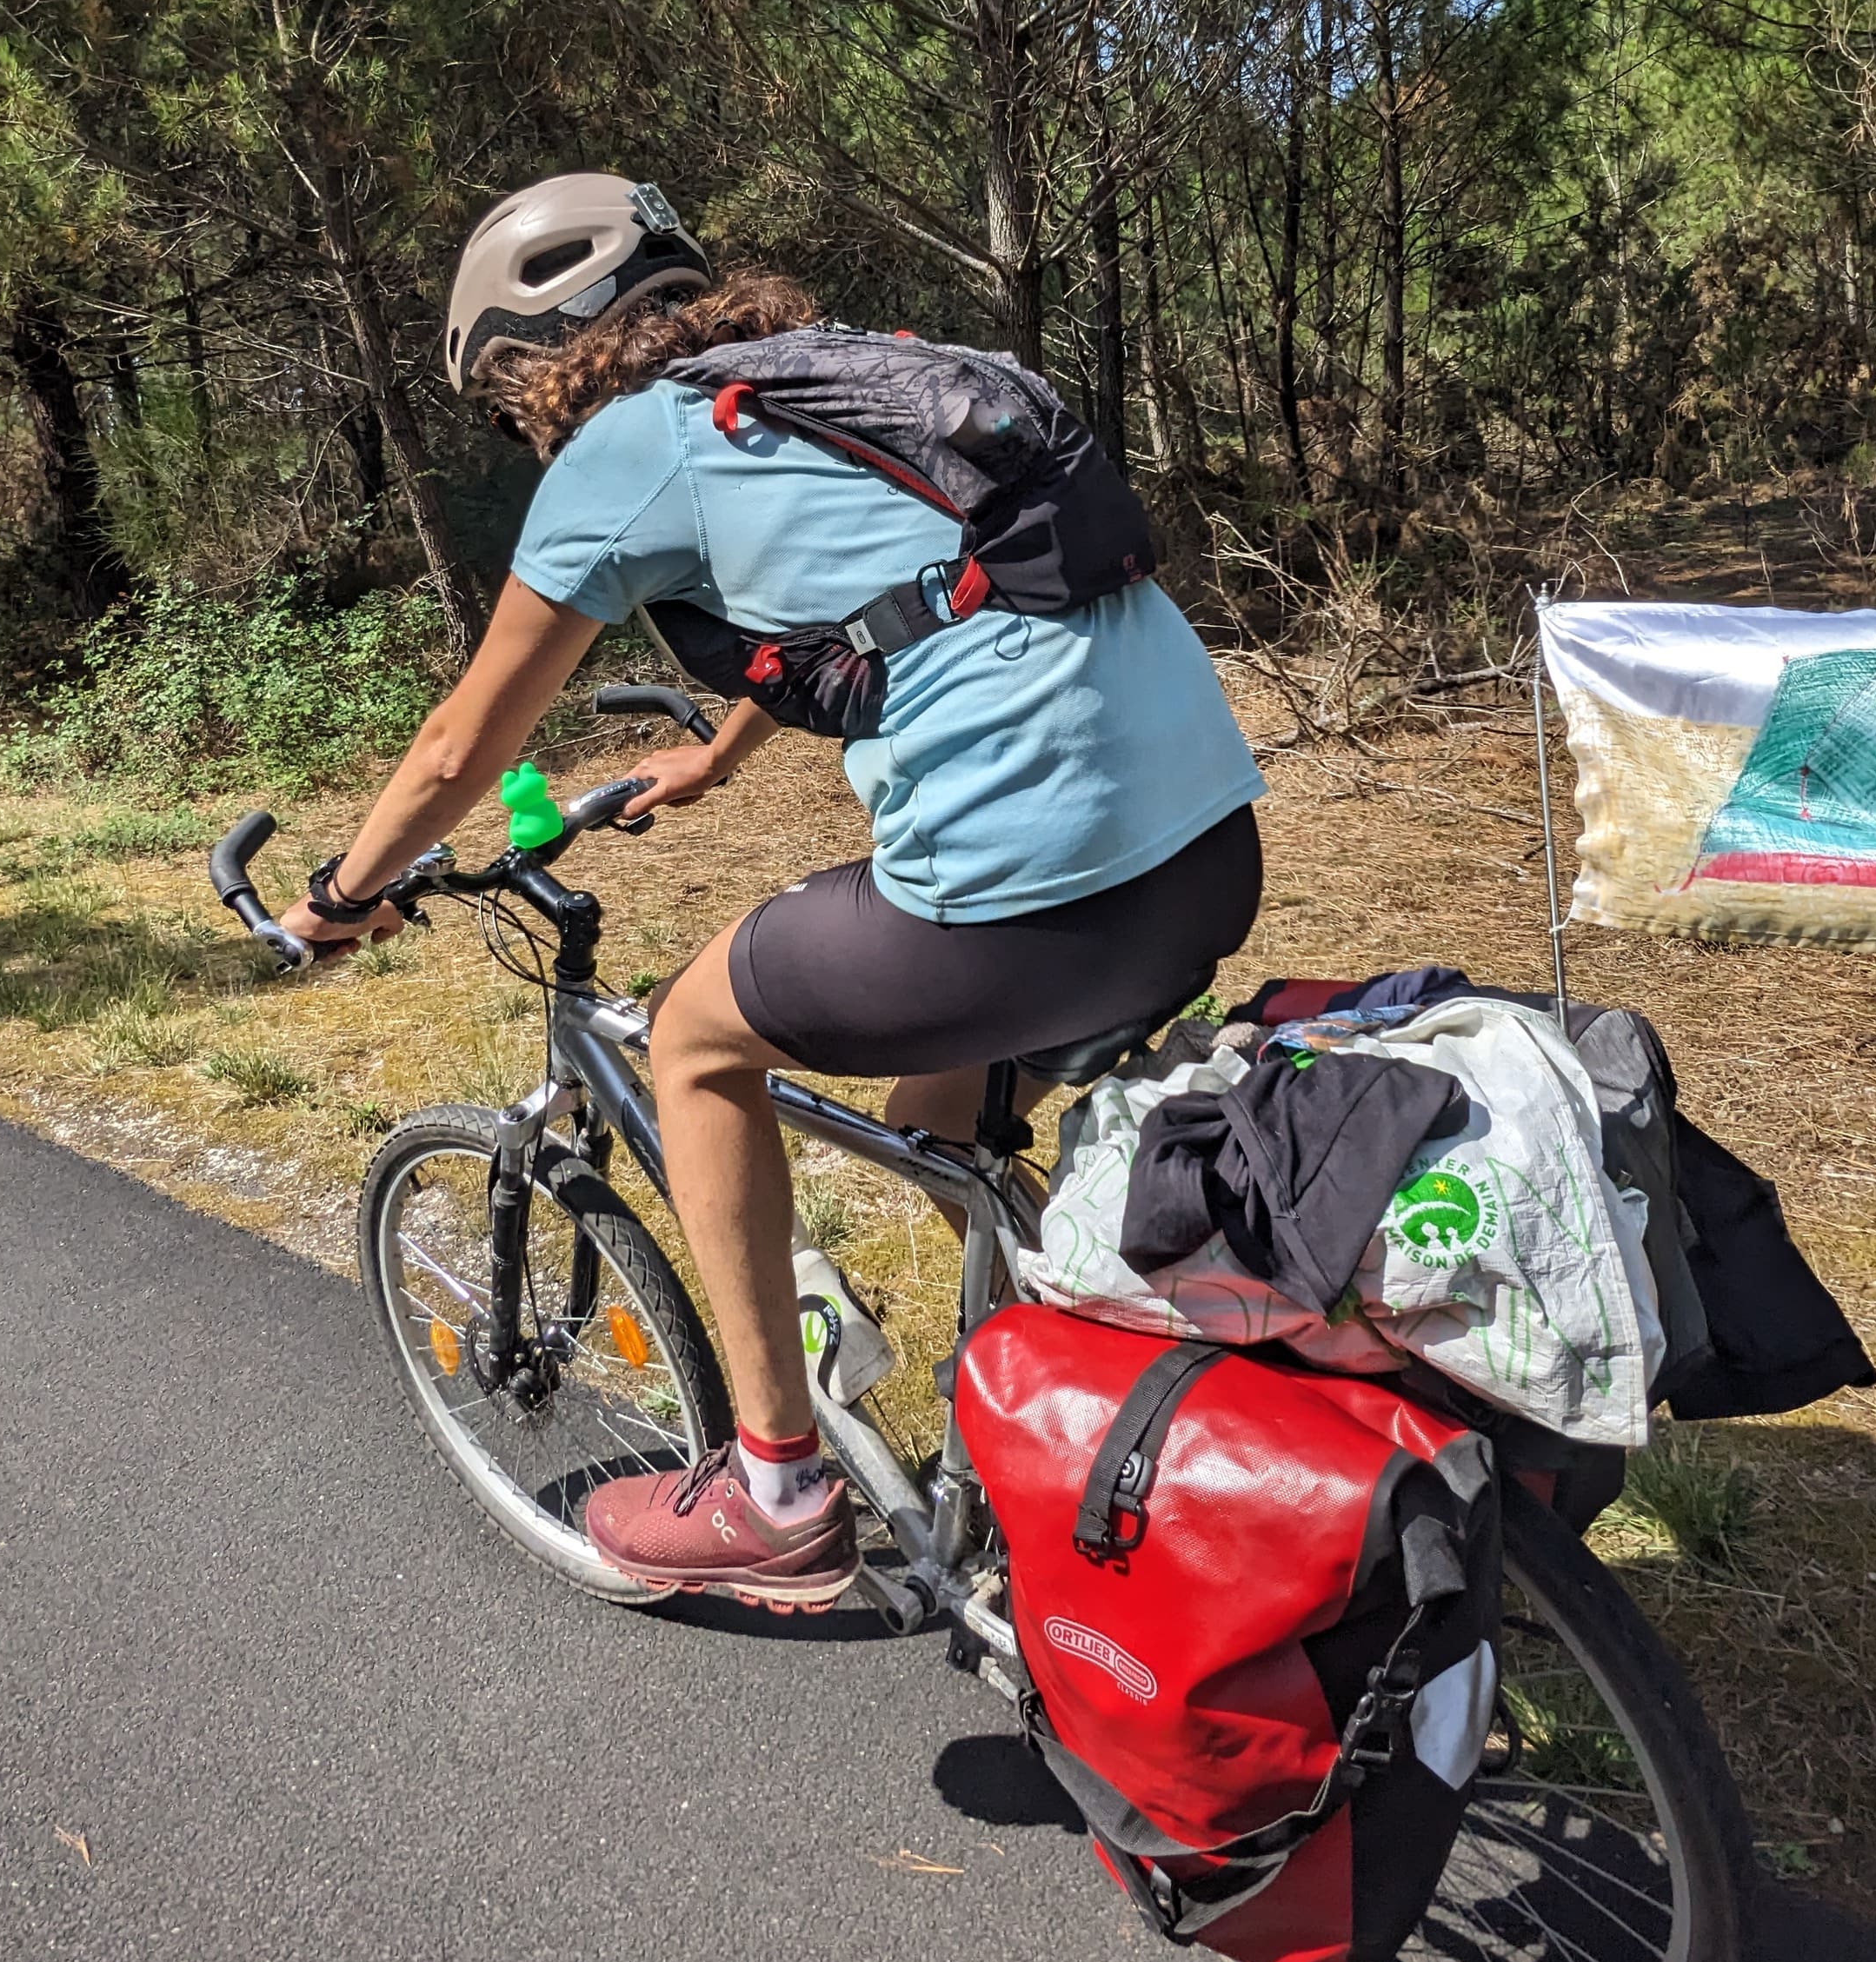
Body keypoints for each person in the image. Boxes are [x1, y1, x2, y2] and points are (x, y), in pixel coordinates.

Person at [283, 173, 1266, 1605]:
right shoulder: (837, 378)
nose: (528, 428)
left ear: (532, 360)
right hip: (1204, 852)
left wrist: (338, 894)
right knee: (941, 1120)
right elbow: (915, 582)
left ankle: (777, 1491)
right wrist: (721, 755)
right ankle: (1168, 1412)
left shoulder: (634, 443)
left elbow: (459, 747)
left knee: (690, 1040)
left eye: (511, 404)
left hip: (1031, 893)